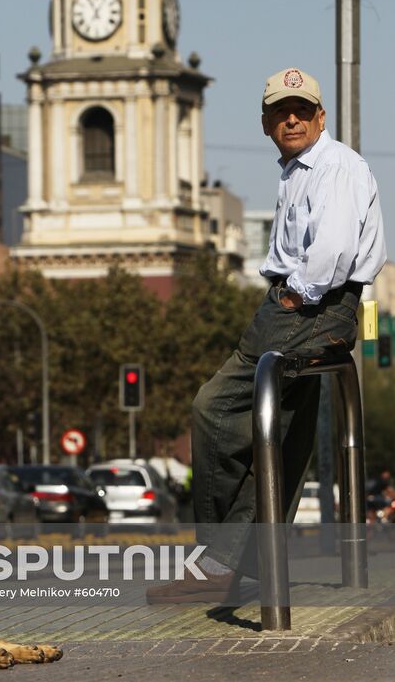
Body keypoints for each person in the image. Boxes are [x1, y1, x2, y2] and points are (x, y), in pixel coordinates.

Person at [148, 67, 386, 603]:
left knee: (217, 409)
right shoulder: (296, 170)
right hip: (296, 303)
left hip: (313, 305)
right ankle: (236, 561)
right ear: (265, 123)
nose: (293, 118)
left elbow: (333, 251)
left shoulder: (336, 167)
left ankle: (216, 563)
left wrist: (294, 293)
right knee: (279, 435)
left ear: (321, 116)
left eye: (302, 109)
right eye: (282, 111)